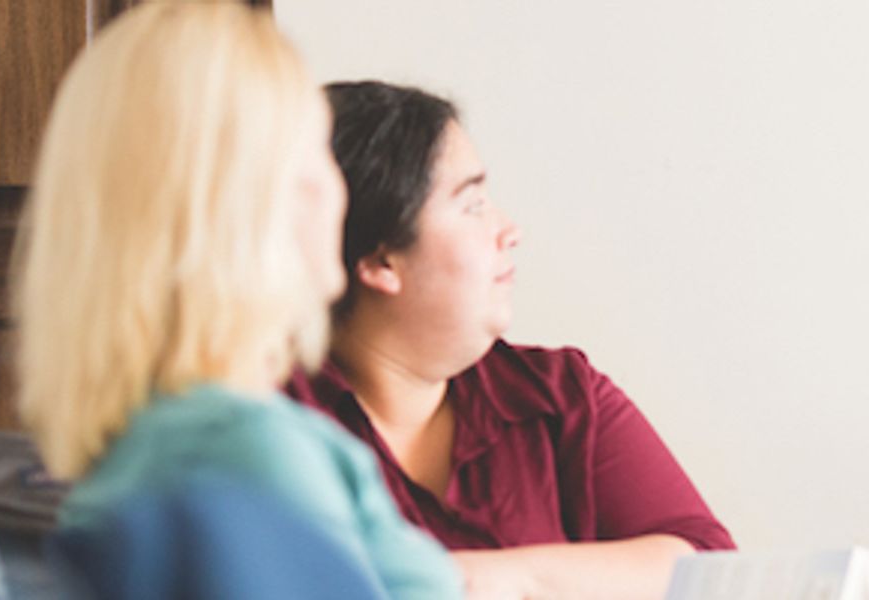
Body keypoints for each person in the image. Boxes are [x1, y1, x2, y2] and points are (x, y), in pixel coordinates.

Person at [10, 4, 458, 598]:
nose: (335, 186)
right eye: (317, 150)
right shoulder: (253, 452)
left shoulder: (136, 457)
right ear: (254, 197)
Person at [286, 80, 734, 599]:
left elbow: (709, 567)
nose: (508, 230)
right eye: (472, 204)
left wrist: (493, 580)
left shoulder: (561, 396)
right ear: (381, 260)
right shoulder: (270, 423)